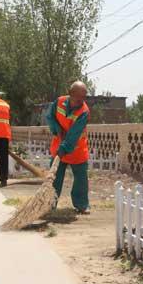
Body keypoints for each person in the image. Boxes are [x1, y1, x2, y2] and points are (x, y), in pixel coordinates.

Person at [46, 81, 91, 214]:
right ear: (70, 94)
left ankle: (81, 205)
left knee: (81, 180)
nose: (81, 101)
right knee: (55, 178)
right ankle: (50, 204)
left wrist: (64, 148)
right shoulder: (59, 102)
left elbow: (73, 134)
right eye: (78, 97)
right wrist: (57, 129)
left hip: (76, 149)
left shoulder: (84, 112)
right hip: (58, 146)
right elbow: (50, 117)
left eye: (84, 97)